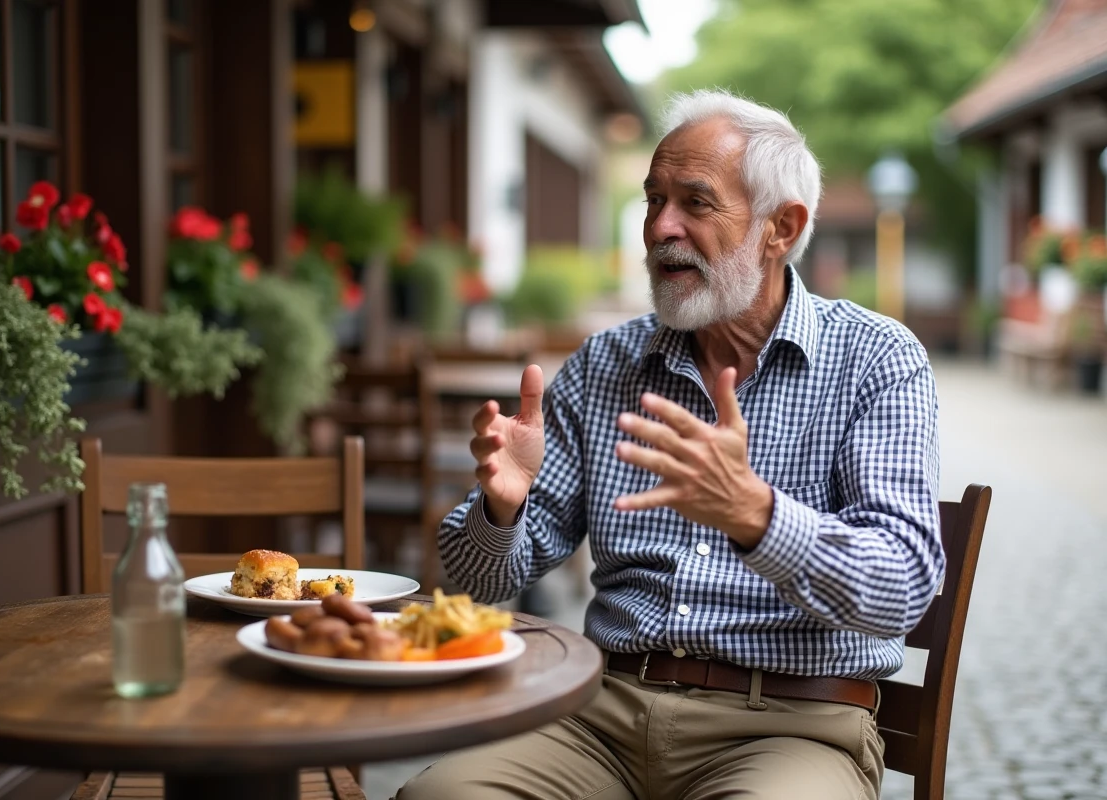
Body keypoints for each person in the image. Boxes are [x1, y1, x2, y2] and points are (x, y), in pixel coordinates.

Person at [399, 88, 943, 800]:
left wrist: (758, 517)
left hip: (790, 724)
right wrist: (501, 512)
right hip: (598, 715)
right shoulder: (605, 364)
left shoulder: (876, 359)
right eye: (653, 200)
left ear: (781, 227)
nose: (661, 227)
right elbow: (480, 582)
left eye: (695, 202)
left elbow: (901, 586)